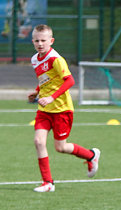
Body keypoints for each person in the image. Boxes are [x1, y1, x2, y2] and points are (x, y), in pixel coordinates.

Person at [28, 24, 100, 192]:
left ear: (51, 41)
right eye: (37, 40)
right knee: (38, 141)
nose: (40, 44)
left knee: (61, 147)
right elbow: (46, 80)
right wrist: (37, 92)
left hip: (61, 109)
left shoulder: (56, 59)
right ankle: (48, 183)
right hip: (44, 110)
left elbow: (69, 81)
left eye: (43, 40)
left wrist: (52, 97)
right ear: (32, 41)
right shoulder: (34, 59)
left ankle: (91, 155)